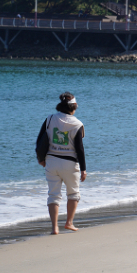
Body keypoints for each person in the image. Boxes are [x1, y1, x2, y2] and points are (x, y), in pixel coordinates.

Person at [36, 92, 87, 235]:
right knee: (73, 194)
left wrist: (41, 158)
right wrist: (83, 169)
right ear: (74, 107)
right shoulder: (77, 124)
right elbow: (79, 149)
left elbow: (40, 140)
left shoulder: (50, 119)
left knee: (53, 195)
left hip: (51, 162)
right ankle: (69, 223)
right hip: (70, 164)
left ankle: (54, 228)